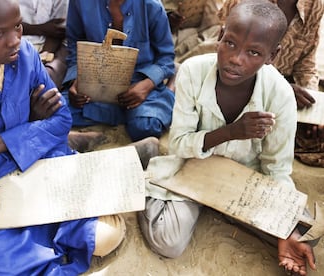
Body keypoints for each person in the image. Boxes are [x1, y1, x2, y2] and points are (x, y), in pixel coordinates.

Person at [0, 0, 133, 274]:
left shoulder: (27, 54)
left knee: (103, 237)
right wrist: (29, 140)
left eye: (17, 26)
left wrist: (1, 142)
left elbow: (62, 120)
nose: (15, 40)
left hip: (46, 163)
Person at [138, 1, 317, 275]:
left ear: (272, 55)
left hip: (243, 178)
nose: (236, 59)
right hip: (193, 167)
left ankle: (258, 221)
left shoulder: (280, 95)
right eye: (231, 44)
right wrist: (230, 132)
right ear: (220, 36)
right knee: (167, 242)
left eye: (254, 52)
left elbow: (276, 169)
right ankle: (148, 160)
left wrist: (284, 227)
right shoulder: (192, 71)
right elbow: (179, 144)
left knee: (302, 229)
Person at [218, 0, 324, 167]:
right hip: (235, 78)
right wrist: (282, 87)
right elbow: (228, 51)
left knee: (315, 134)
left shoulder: (314, 5)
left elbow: (307, 62)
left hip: (284, 85)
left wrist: (311, 107)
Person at [62, 0, 176, 142]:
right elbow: (74, 46)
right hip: (95, 82)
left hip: (138, 84)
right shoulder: (80, 3)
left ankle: (165, 94)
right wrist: (76, 81)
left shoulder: (152, 6)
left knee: (146, 126)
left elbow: (166, 58)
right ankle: (129, 116)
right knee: (57, 112)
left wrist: (146, 87)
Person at [18, 0, 68, 89]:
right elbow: (3, 24)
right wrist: (40, 29)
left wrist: (44, 56)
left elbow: (58, 30)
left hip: (49, 51)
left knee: (44, 83)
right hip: (16, 46)